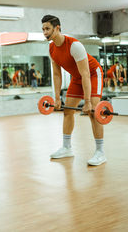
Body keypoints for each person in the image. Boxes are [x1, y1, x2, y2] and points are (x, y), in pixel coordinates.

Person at [41, 14, 106, 166]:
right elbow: (57, 75)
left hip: (92, 74)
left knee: (93, 113)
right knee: (67, 112)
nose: (45, 32)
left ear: (57, 28)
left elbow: (85, 74)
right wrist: (57, 98)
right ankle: (67, 147)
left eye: (48, 28)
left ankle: (100, 152)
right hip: (77, 78)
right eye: (43, 29)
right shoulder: (51, 49)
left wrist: (88, 101)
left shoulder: (74, 45)